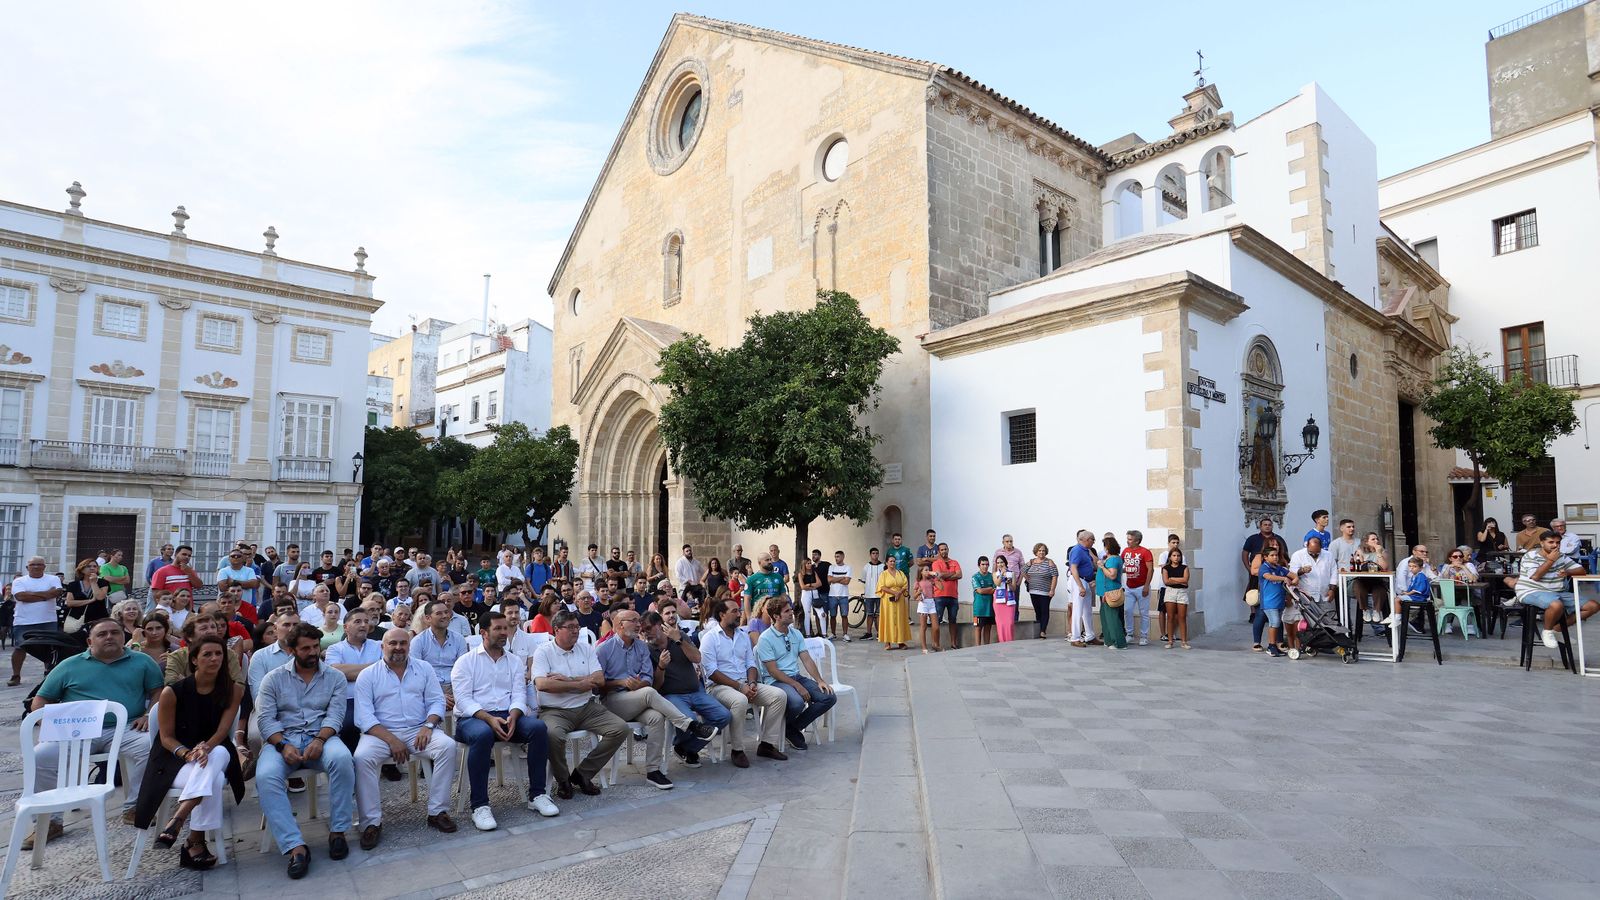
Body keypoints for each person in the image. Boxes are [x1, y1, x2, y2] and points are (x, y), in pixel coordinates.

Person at [21, 617, 162, 849]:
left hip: (126, 728)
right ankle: (49, 822)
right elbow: (40, 701)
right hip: (78, 731)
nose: (109, 637)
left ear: (124, 637)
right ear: (89, 641)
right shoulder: (69, 665)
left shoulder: (142, 661)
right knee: (40, 756)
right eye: (102, 634)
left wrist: (148, 714)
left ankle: (135, 807)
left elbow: (158, 691)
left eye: (115, 633)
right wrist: (56, 724)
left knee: (152, 747)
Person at [133, 634, 245, 870]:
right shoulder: (173, 692)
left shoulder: (233, 689)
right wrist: (188, 754)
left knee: (219, 754)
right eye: (207, 654)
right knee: (214, 780)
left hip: (214, 748)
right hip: (175, 758)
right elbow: (165, 737)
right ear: (194, 660)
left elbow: (223, 730)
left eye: (219, 654)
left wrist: (205, 747)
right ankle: (194, 841)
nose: (214, 659)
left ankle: (179, 817)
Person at [255, 623, 355, 879]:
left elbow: (336, 715)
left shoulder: (334, 677)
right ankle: (295, 847)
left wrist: (320, 740)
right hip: (282, 739)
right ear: (291, 651)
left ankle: (338, 832)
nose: (312, 652)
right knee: (265, 776)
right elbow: (265, 720)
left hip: (321, 736)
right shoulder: (273, 678)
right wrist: (282, 745)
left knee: (343, 759)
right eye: (306, 648)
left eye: (315, 647)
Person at [452, 612, 560, 829]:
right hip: (473, 718)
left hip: (507, 714)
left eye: (505, 629)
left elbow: (519, 693)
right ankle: (480, 806)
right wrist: (489, 718)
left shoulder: (514, 661)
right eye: (498, 629)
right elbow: (463, 700)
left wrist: (515, 715)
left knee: (539, 728)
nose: (504, 633)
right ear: (484, 632)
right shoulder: (466, 662)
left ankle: (537, 795)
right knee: (482, 734)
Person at [595, 608, 716, 789]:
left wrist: (640, 684)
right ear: (620, 624)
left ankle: (653, 771)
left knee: (656, 717)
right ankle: (690, 725)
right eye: (634, 621)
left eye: (639, 621)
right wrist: (620, 682)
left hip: (638, 697)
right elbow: (597, 686)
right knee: (650, 694)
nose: (639, 625)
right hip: (613, 700)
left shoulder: (641, 647)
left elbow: (648, 679)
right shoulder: (604, 649)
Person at [532, 609, 629, 798]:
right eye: (570, 627)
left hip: (586, 707)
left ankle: (583, 773)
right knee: (552, 735)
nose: (576, 631)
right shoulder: (544, 651)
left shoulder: (586, 648)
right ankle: (563, 779)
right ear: (556, 630)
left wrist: (567, 680)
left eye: (577, 626)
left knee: (620, 728)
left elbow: (599, 679)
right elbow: (542, 684)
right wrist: (580, 684)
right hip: (555, 710)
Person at [700, 596, 789, 765]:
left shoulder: (742, 635)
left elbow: (751, 663)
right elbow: (711, 672)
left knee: (779, 696)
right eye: (734, 611)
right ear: (722, 615)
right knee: (740, 700)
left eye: (739, 610)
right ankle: (737, 750)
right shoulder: (710, 638)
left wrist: (752, 683)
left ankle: (767, 744)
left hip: (745, 683)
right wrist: (740, 687)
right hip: (719, 687)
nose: (739, 614)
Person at [644, 605, 732, 768]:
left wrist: (679, 640)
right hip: (671, 695)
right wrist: (661, 667)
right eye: (643, 630)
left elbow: (697, 658)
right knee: (689, 720)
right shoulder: (647, 650)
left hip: (695, 691)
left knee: (724, 715)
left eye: (648, 628)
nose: (646, 633)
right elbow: (655, 686)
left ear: (659, 626)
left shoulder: (680, 636)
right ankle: (688, 748)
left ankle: (685, 747)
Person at [756, 597, 836, 751]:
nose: (791, 612)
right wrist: (797, 686)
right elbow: (773, 671)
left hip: (796, 677)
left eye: (790, 609)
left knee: (828, 697)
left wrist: (819, 680)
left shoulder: (796, 633)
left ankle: (791, 728)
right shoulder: (765, 638)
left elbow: (806, 659)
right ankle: (790, 730)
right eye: (787, 611)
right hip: (776, 681)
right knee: (797, 702)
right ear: (776, 616)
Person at [1515, 530, 1593, 649]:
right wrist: (1550, 560)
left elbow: (1582, 571)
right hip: (1531, 591)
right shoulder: (1531, 556)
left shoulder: (1561, 556)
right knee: (1556, 605)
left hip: (1556, 592)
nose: (1555, 545)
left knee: (1592, 606)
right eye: (1551, 542)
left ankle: (1557, 630)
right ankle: (1547, 631)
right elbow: (1536, 576)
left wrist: (1567, 572)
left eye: (1558, 542)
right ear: (1542, 543)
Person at [326, 608, 383, 755]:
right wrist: (375, 667)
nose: (363, 625)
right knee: (348, 726)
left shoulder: (380, 645)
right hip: (348, 700)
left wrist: (351, 671)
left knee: (387, 723)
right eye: (358, 621)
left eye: (366, 621)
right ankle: (352, 761)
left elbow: (386, 670)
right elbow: (337, 673)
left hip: (378, 698)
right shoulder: (334, 649)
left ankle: (387, 763)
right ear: (346, 627)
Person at [10, 556, 61, 685]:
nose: (36, 567)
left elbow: (56, 593)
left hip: (47, 620)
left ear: (44, 567)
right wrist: (45, 595)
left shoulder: (53, 579)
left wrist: (30, 594)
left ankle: (49, 674)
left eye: (39, 564)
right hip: (23, 621)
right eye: (33, 565)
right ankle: (16, 676)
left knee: (49, 648)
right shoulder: (19, 581)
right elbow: (20, 597)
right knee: (20, 648)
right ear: (27, 567)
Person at [1241, 518, 1289, 651]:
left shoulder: (1282, 557)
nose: (1276, 546)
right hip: (1262, 586)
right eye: (1273, 544)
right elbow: (1254, 570)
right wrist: (1269, 572)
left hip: (1278, 589)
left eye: (1277, 544)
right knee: (1261, 615)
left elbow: (1287, 570)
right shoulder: (1259, 556)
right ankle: (1257, 641)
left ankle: (1279, 641)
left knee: (1278, 615)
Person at [412, 599, 468, 691]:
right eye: (439, 613)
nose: (445, 616)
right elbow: (416, 672)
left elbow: (464, 668)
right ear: (428, 618)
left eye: (446, 612)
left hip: (455, 686)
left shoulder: (459, 639)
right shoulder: (418, 641)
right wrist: (437, 694)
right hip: (428, 688)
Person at [1255, 545, 1293, 658]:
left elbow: (1292, 575)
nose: (1275, 557)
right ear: (1265, 557)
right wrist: (1284, 578)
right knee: (1275, 622)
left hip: (1279, 601)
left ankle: (1275, 646)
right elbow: (1269, 577)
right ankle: (1271, 646)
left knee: (1276, 623)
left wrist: (1294, 580)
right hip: (1269, 602)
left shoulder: (1279, 568)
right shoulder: (1264, 568)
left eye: (1276, 555)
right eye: (1272, 555)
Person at [1350, 532, 1391, 626]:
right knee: (1358, 586)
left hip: (1377, 580)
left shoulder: (1382, 552)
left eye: (1377, 539)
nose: (1376, 541)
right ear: (1366, 542)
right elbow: (1358, 567)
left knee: (1380, 589)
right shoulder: (1360, 551)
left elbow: (1384, 567)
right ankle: (1365, 610)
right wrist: (1360, 556)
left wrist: (1379, 553)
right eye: (1373, 539)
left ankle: (1377, 610)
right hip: (1363, 580)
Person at [1121, 531, 1155, 646]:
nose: (1128, 541)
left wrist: (1146, 585)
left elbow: (1150, 569)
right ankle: (1129, 634)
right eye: (1128, 539)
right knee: (1127, 610)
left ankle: (1144, 636)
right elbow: (1121, 564)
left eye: (1130, 539)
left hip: (1142, 586)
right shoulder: (1125, 551)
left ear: (1137, 541)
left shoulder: (1145, 552)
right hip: (1129, 586)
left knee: (1144, 613)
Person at [1066, 532, 1097, 647]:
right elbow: (1073, 568)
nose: (1094, 542)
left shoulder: (1085, 550)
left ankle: (1090, 636)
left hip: (1086, 581)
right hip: (1079, 580)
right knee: (1078, 609)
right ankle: (1075, 638)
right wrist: (1080, 586)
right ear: (1087, 539)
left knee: (1087, 610)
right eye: (1093, 539)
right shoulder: (1077, 550)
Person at [1289, 536, 1336, 612]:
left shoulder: (1328, 555)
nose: (1314, 554)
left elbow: (1334, 573)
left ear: (1321, 547)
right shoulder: (1297, 555)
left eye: (1317, 553)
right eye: (1311, 552)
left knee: (1329, 616)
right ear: (1307, 546)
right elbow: (1292, 572)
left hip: (1325, 593)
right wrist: (1302, 570)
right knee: (1310, 617)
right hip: (1307, 595)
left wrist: (1332, 590)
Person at [1096, 535, 1126, 650]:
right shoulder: (1112, 558)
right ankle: (1109, 640)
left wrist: (1102, 566)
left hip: (1110, 591)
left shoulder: (1113, 559)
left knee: (1112, 618)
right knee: (1105, 617)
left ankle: (1118, 642)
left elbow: (1112, 575)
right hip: (1105, 591)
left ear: (1108, 548)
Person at [1024, 542, 1059, 641]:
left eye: (1043, 550)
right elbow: (1022, 570)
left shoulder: (1049, 562)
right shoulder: (1032, 562)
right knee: (1037, 611)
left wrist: (1052, 589)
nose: (1041, 552)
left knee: (1044, 611)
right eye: (1039, 550)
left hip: (1045, 592)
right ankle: (1039, 630)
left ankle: (1043, 631)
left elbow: (1055, 576)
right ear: (1036, 552)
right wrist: (1028, 579)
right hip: (1033, 591)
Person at [930, 543, 962, 650]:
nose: (944, 551)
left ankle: (953, 643)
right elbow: (938, 575)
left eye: (945, 549)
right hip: (939, 596)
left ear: (948, 549)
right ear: (939, 552)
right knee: (937, 620)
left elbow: (960, 575)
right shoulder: (936, 563)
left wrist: (945, 575)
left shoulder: (955, 562)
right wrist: (952, 573)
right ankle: (935, 644)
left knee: (953, 620)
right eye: (942, 550)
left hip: (953, 596)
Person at [63, 558, 111, 629]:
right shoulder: (73, 585)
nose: (92, 568)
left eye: (95, 566)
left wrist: (93, 582)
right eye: (88, 566)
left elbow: (100, 597)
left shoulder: (103, 582)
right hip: (77, 619)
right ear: (82, 569)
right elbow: (69, 603)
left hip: (98, 618)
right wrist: (90, 601)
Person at [876, 556, 910, 651]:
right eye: (890, 561)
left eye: (894, 561)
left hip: (900, 599)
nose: (892, 563)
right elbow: (882, 586)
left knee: (900, 619)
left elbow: (905, 584)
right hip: (888, 600)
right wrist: (894, 593)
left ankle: (901, 641)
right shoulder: (883, 574)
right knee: (888, 619)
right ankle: (887, 641)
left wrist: (899, 592)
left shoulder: (900, 573)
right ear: (886, 563)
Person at [1160, 548, 1190, 649]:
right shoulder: (1166, 568)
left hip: (1182, 592)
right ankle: (1170, 641)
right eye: (1174, 555)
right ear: (1170, 557)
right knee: (1170, 617)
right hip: (1170, 592)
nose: (1176, 558)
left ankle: (1184, 641)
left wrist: (1172, 579)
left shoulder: (1185, 568)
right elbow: (1166, 581)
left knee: (1182, 617)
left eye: (1178, 556)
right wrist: (1180, 580)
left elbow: (1185, 580)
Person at [217, 548, 263, 614]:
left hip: (246, 607)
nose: (236, 557)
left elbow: (254, 584)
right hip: (226, 607)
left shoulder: (250, 570)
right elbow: (222, 588)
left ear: (243, 558)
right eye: (233, 556)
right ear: (229, 559)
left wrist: (233, 581)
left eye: (239, 556)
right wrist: (246, 584)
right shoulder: (223, 571)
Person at [826, 550, 853, 642]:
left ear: (842, 557)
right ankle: (833, 634)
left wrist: (835, 579)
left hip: (843, 595)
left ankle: (845, 634)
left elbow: (847, 581)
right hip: (832, 595)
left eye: (838, 556)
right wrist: (842, 577)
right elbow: (829, 580)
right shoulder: (831, 567)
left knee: (844, 615)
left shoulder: (848, 567)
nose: (836, 558)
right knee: (832, 615)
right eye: (835, 557)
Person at [858, 548, 884, 641]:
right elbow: (863, 580)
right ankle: (869, 633)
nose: (875, 555)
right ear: (870, 555)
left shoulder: (883, 566)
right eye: (873, 553)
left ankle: (880, 633)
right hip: (869, 594)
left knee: (878, 615)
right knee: (869, 614)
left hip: (880, 594)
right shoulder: (866, 567)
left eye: (877, 553)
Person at [914, 555, 939, 653]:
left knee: (936, 627)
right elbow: (914, 596)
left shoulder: (931, 580)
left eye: (929, 570)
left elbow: (941, 588)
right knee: (923, 626)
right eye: (926, 570)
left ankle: (935, 644)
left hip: (931, 602)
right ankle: (924, 647)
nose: (928, 571)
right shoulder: (918, 582)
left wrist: (937, 578)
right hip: (923, 603)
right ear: (921, 572)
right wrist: (918, 592)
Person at [970, 556, 996, 646]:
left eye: (987, 564)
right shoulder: (975, 577)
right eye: (983, 564)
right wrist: (990, 589)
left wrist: (985, 589)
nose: (985, 566)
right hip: (978, 609)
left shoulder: (992, 576)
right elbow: (979, 591)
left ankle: (987, 648)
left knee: (988, 628)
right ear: (979, 565)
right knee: (978, 628)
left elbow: (994, 590)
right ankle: (978, 648)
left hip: (990, 608)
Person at [992, 555, 1017, 643]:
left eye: (1001, 562)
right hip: (999, 601)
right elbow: (997, 584)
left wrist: (1009, 583)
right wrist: (1002, 574)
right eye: (998, 563)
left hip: (1009, 600)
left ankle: (1009, 642)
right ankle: (1002, 642)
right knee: (1001, 623)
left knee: (1010, 622)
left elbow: (1014, 588)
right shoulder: (995, 574)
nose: (1000, 564)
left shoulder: (1012, 573)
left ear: (1005, 563)